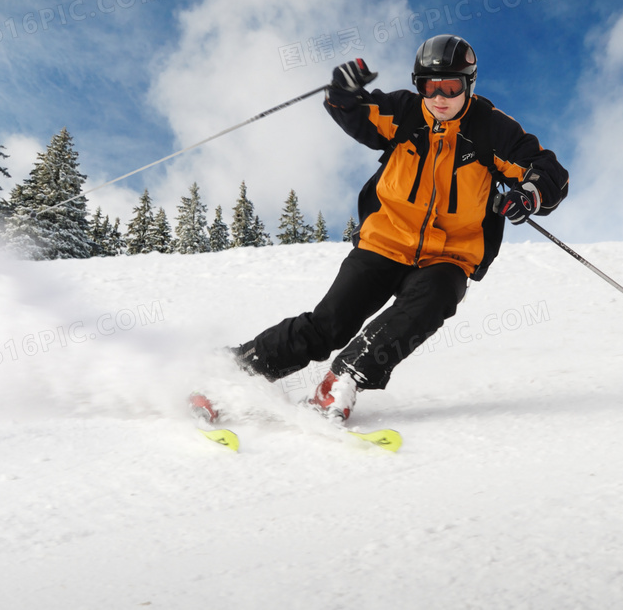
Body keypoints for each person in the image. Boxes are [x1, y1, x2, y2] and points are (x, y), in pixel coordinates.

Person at [222, 34, 568, 422]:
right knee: (330, 323)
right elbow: (354, 110)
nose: (439, 97)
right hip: (385, 241)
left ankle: (341, 382)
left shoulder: (491, 130)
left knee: (430, 301)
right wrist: (343, 90)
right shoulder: (404, 113)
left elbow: (548, 172)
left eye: (451, 87)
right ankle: (235, 369)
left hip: (449, 254)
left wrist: (529, 195)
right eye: (428, 86)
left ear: (469, 85)